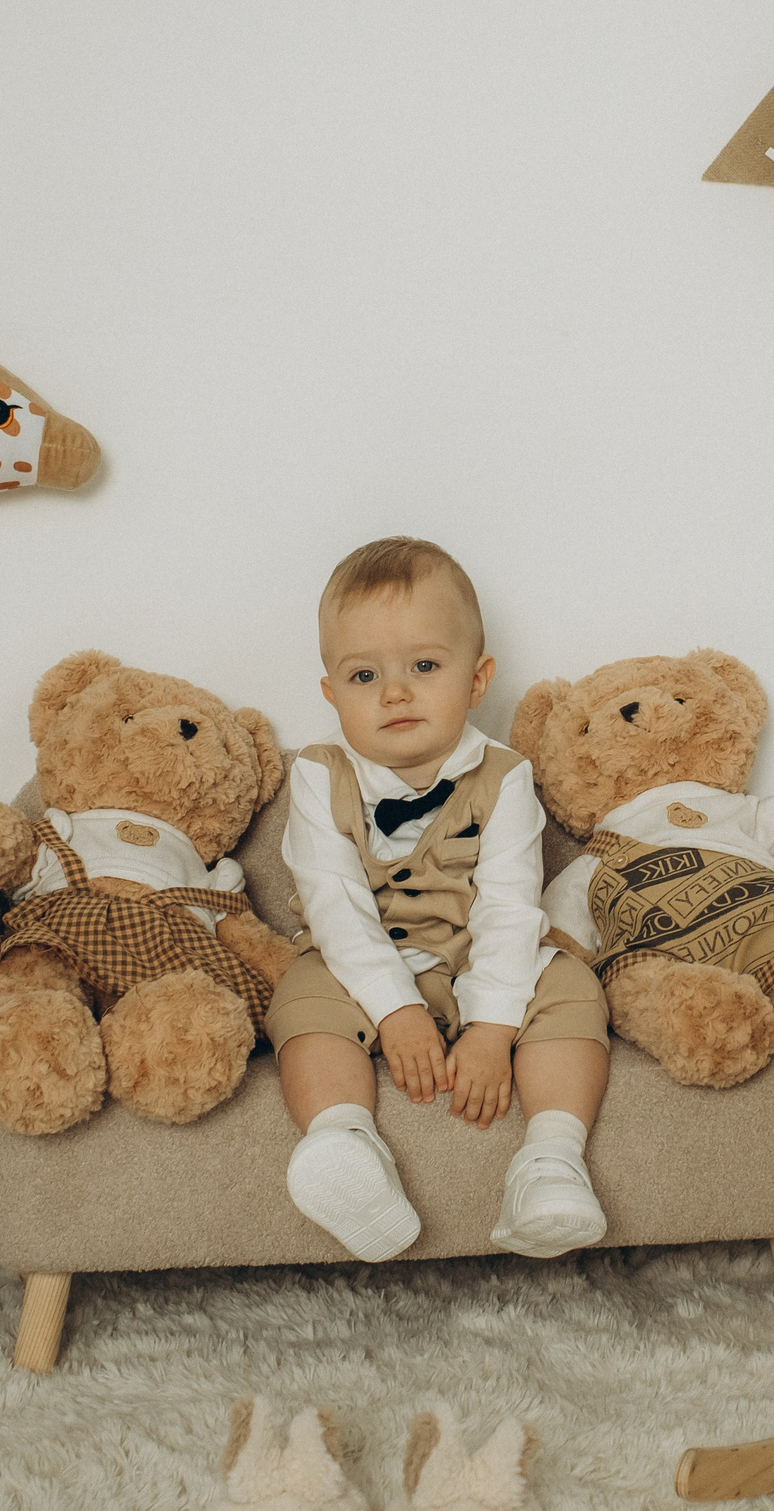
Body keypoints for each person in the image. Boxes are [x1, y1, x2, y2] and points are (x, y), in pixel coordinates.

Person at [266, 536, 611, 1261]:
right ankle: (345, 1144)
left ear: (477, 679)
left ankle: (551, 1160)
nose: (394, 692)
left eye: (423, 666)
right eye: (364, 674)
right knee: (303, 998)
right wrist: (395, 1009)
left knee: (572, 988)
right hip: (363, 961)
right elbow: (335, 907)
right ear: (331, 693)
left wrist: (490, 1028)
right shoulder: (318, 775)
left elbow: (510, 908)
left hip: (477, 956)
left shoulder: (506, 776)